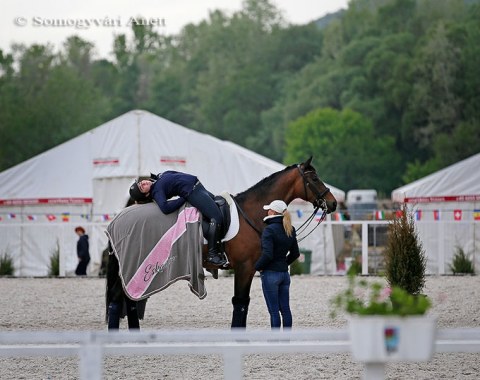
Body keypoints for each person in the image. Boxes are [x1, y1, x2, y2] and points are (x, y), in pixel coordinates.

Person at [129, 171, 227, 267]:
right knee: (216, 217)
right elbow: (165, 208)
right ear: (146, 194)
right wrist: (184, 198)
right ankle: (212, 254)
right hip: (192, 192)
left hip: (197, 186)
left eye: (140, 183)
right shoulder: (156, 191)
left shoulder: (157, 180)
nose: (143, 183)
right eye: (142, 187)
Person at [255, 200, 300, 329]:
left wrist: (257, 267)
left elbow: (267, 254)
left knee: (274, 311)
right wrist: (283, 263)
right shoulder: (290, 228)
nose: (267, 211)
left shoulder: (269, 230)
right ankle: (286, 341)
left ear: (273, 212)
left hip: (270, 274)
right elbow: (295, 253)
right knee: (285, 309)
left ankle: (275, 341)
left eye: (269, 209)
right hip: (284, 274)